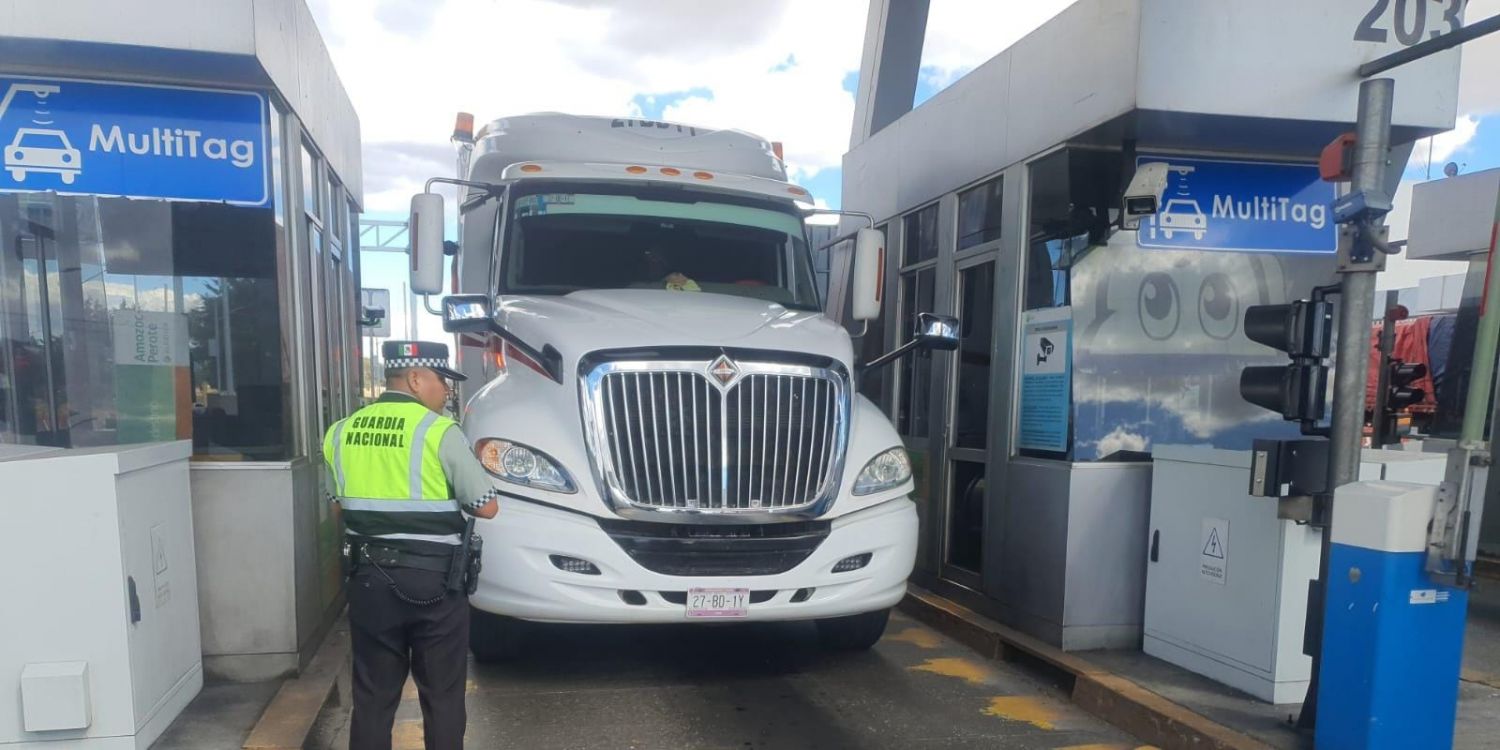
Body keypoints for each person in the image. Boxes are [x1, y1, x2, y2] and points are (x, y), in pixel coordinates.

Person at [323, 341, 498, 750]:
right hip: (434, 583)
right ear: (416, 378)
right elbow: (486, 507)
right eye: (442, 381)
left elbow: (338, 509)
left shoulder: (340, 432)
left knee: (372, 696)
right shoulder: (438, 431)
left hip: (368, 580)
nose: (446, 392)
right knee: (442, 695)